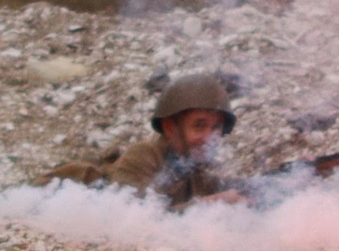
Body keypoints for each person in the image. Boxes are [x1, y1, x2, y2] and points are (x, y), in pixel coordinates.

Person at [47, 71, 243, 209]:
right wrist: (212, 204)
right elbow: (137, 216)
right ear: (169, 127)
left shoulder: (192, 170)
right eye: (199, 126)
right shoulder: (143, 156)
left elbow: (228, 187)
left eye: (216, 127)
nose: (210, 137)